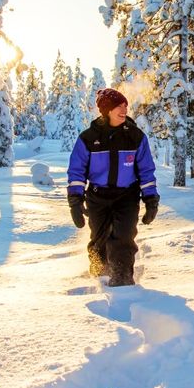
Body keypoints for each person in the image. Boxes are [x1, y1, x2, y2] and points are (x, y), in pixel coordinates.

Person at [67, 88, 159, 287]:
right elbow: (76, 171)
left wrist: (151, 199)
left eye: (125, 105)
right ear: (107, 109)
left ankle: (123, 280)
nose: (124, 109)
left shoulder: (135, 136)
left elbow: (146, 170)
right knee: (99, 240)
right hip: (97, 196)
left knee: (124, 237)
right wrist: (75, 200)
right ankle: (99, 279)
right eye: (119, 106)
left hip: (127, 196)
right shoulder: (88, 138)